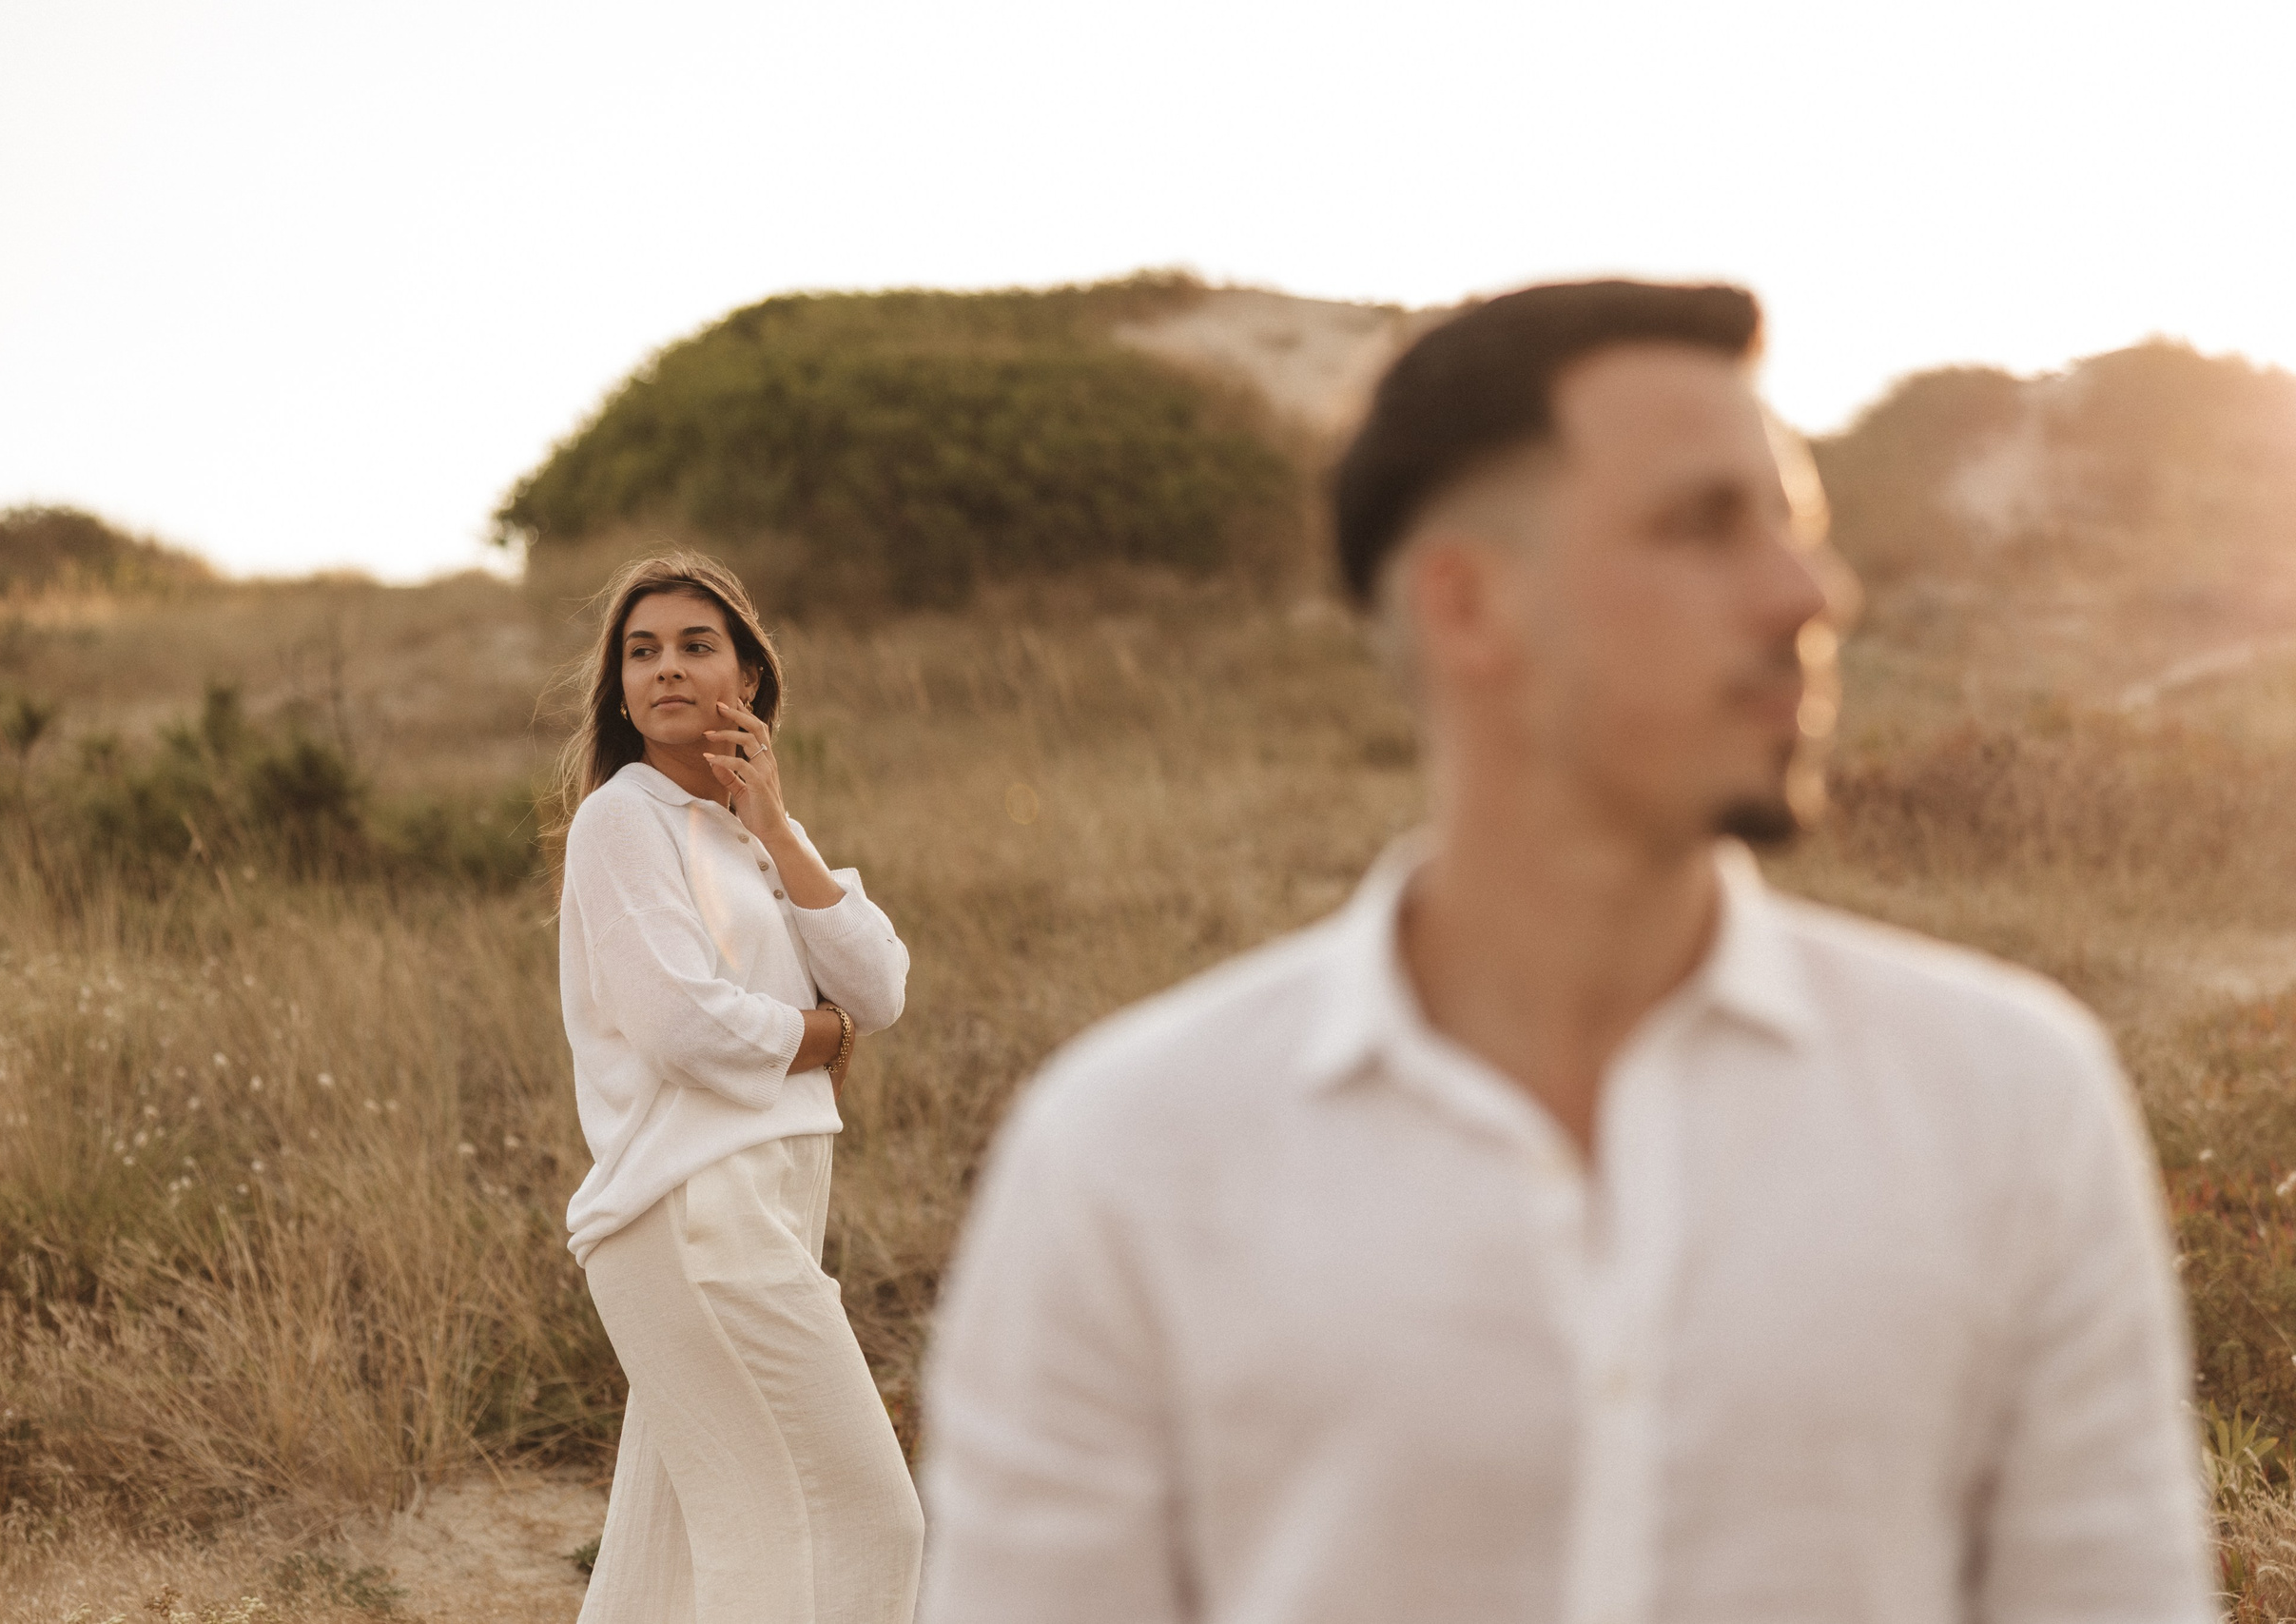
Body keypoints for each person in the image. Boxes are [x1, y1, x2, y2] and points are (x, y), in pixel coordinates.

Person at [916, 283, 2211, 1623]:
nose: (1809, 591)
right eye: (1702, 525)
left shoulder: (2009, 1101)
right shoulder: (1129, 1153)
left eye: (1798, 529)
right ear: (1468, 604)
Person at [555, 554, 923, 1624]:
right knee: (858, 1525)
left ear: (749, 677)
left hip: (753, 1205)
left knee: (672, 1571)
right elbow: (680, 1026)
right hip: (692, 1214)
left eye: (695, 645)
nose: (666, 667)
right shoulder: (623, 821)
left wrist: (774, 822)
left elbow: (881, 986)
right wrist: (818, 1035)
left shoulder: (753, 837)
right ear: (620, 689)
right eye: (642, 650)